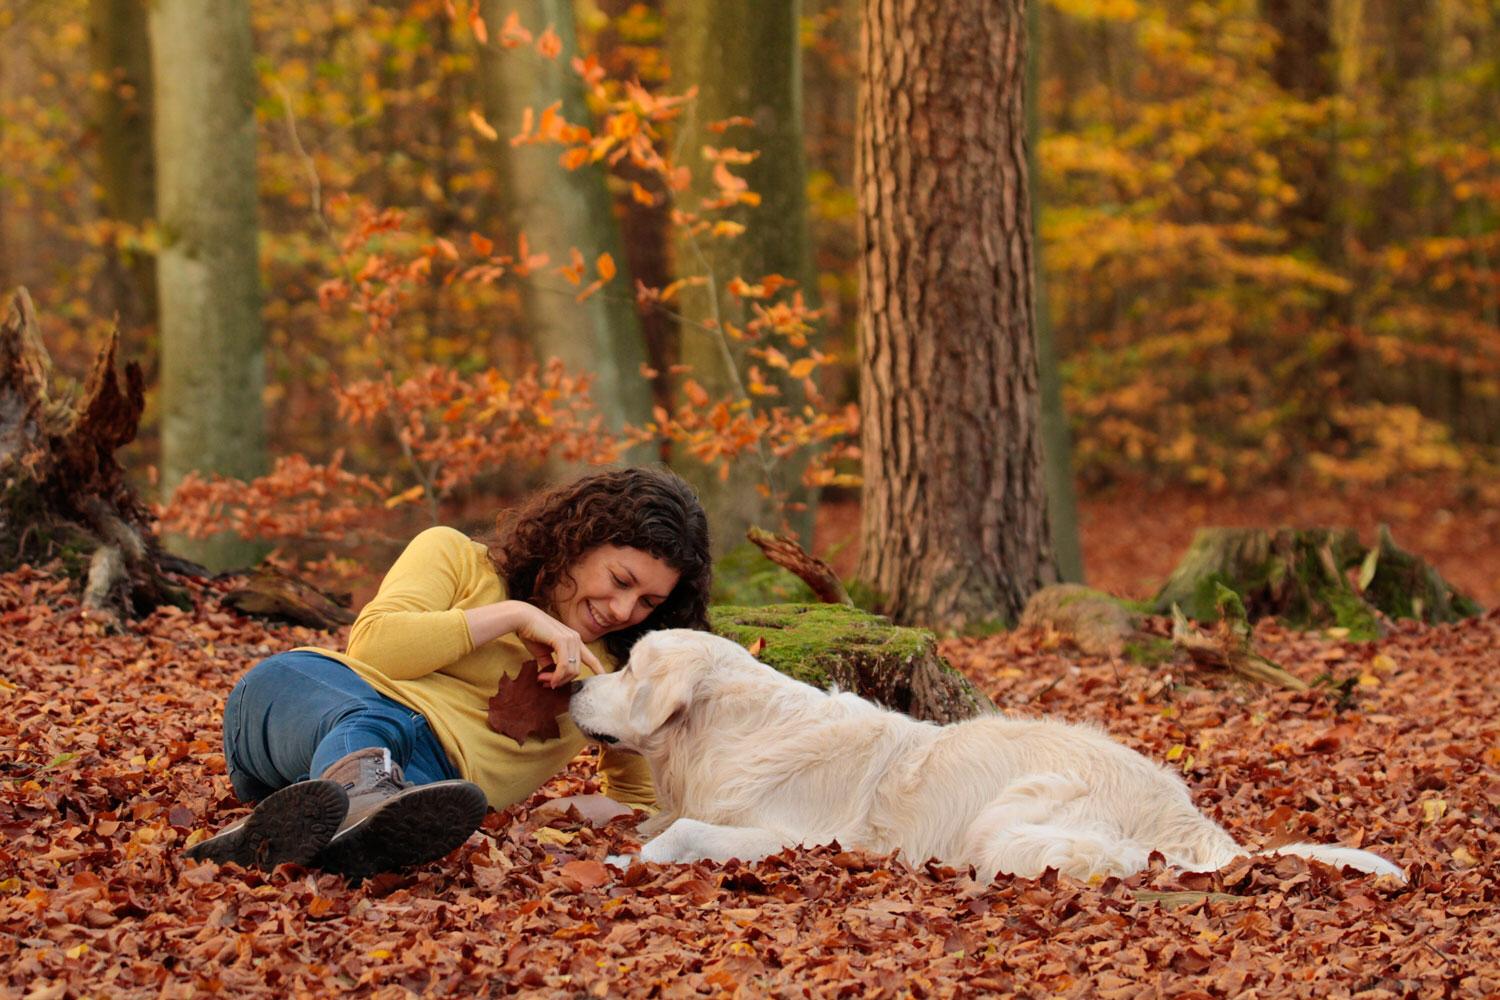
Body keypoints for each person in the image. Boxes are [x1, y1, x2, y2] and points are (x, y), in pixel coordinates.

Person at [185, 466, 712, 878]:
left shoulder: (613, 679)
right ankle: (355, 800)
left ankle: (280, 833)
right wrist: (515, 616)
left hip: (421, 784)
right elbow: (372, 651)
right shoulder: (455, 556)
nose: (623, 610)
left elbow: (639, 799)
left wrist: (559, 814)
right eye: (620, 580)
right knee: (369, 719)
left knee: (421, 801)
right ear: (579, 539)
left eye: (647, 601)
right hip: (302, 707)